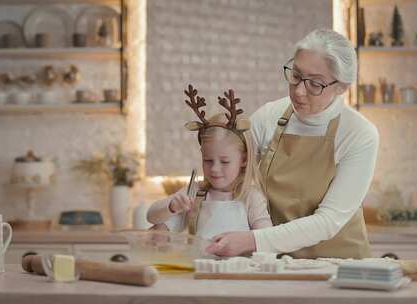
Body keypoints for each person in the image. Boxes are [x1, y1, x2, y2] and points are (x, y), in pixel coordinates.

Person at [206, 28, 379, 259]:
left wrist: (252, 240)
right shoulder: (269, 116)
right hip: (278, 264)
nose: (298, 91)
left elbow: (328, 221)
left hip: (340, 268)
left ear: (342, 87)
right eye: (295, 75)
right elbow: (229, 172)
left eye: (314, 84)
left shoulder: (359, 134)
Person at [146, 85, 272, 240]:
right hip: (200, 264)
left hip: (238, 265)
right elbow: (152, 217)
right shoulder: (196, 193)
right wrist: (172, 206)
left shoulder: (251, 198)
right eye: (208, 160)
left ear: (244, 159)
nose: (215, 169)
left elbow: (265, 240)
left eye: (224, 162)